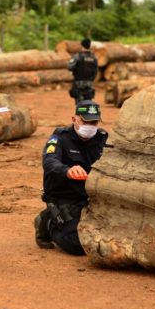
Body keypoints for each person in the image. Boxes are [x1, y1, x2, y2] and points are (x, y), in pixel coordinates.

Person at [34, 100, 108, 256]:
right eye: (85, 121)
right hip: (65, 198)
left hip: (91, 199)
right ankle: (47, 222)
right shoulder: (60, 137)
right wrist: (66, 170)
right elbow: (49, 161)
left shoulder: (102, 138)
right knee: (79, 245)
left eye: (94, 122)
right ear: (74, 119)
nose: (90, 126)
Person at [68, 38, 98, 105]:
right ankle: (86, 115)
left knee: (79, 104)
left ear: (82, 46)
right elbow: (95, 71)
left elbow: (70, 67)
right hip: (89, 83)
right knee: (88, 103)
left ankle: (80, 114)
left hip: (79, 83)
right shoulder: (94, 58)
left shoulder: (77, 56)